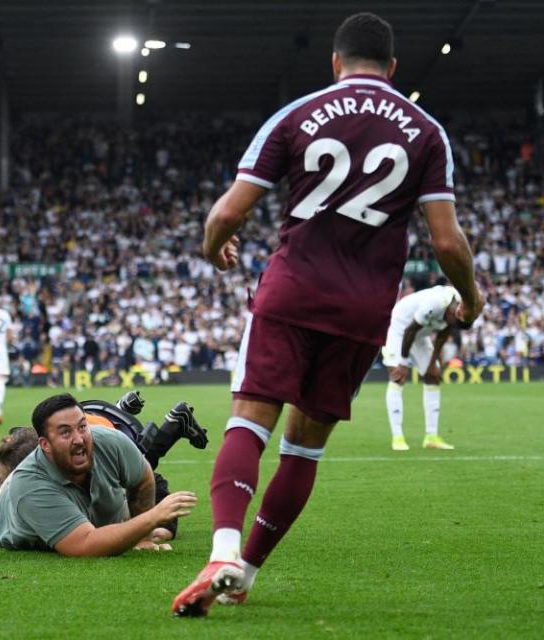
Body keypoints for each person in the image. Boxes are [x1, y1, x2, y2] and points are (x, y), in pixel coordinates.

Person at [170, 12, 484, 617]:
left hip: (292, 293)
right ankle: (250, 572)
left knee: (248, 423)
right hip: (363, 310)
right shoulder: (426, 131)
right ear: (393, 68)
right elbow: (446, 243)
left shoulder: (293, 116)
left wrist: (215, 249)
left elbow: (225, 215)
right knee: (304, 450)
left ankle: (223, 552)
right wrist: (470, 297)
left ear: (335, 63)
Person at [0, 392, 205, 556]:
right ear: (45, 444)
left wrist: (144, 539)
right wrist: (151, 519)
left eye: (82, 427)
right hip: (18, 497)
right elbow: (85, 545)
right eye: (66, 432)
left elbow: (143, 477)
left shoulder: (108, 440)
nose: (78, 438)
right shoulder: (29, 486)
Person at [382, 285, 463, 451]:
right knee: (398, 376)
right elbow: (409, 331)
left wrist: (433, 364)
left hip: (420, 334)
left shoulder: (458, 311)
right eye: (452, 321)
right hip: (400, 328)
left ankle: (431, 437)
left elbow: (442, 336)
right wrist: (403, 363)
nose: (451, 324)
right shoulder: (435, 303)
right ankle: (397, 437)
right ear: (453, 311)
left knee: (433, 376)